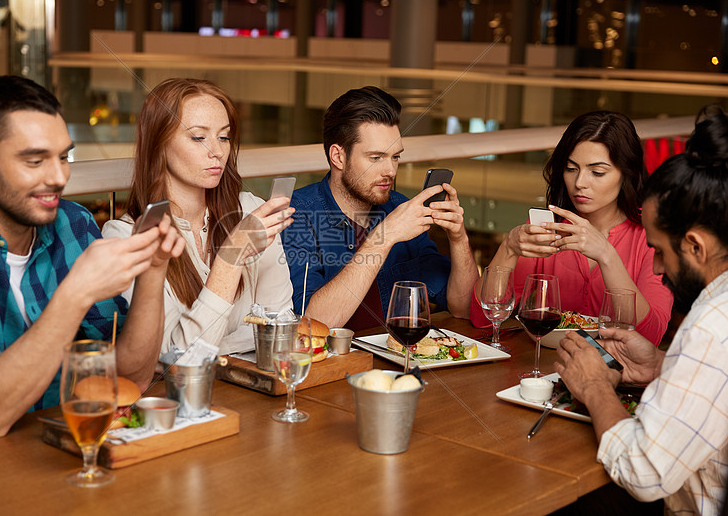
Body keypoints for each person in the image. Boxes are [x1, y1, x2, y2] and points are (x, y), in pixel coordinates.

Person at [0, 76, 185, 445]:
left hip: (50, 448)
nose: (59, 177)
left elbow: (130, 378)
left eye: (63, 157)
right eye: (35, 160)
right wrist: (76, 292)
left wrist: (154, 269)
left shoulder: (72, 223)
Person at [555, 106, 728, 516]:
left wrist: (595, 386)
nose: (654, 267)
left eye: (660, 251)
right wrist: (662, 366)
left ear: (696, 246)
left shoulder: (711, 324)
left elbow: (643, 473)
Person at [102, 78, 294, 355]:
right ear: (159, 143)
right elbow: (175, 359)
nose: (216, 151)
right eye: (198, 137)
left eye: (224, 136)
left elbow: (279, 329)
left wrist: (211, 343)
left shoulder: (250, 210)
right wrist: (231, 257)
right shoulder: (124, 237)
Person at [279, 86, 479, 332]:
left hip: (397, 364)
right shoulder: (296, 215)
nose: (391, 171)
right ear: (338, 157)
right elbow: (310, 326)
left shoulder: (398, 206)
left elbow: (463, 306)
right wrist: (385, 237)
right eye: (376, 158)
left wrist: (458, 238)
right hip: (330, 367)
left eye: (395, 157)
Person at [469, 111, 672, 346]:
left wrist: (607, 255)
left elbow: (650, 338)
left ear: (626, 173)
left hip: (618, 376)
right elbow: (483, 318)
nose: (579, 183)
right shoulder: (546, 229)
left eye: (597, 172)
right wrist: (509, 248)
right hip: (545, 368)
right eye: (571, 168)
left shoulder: (652, 237)